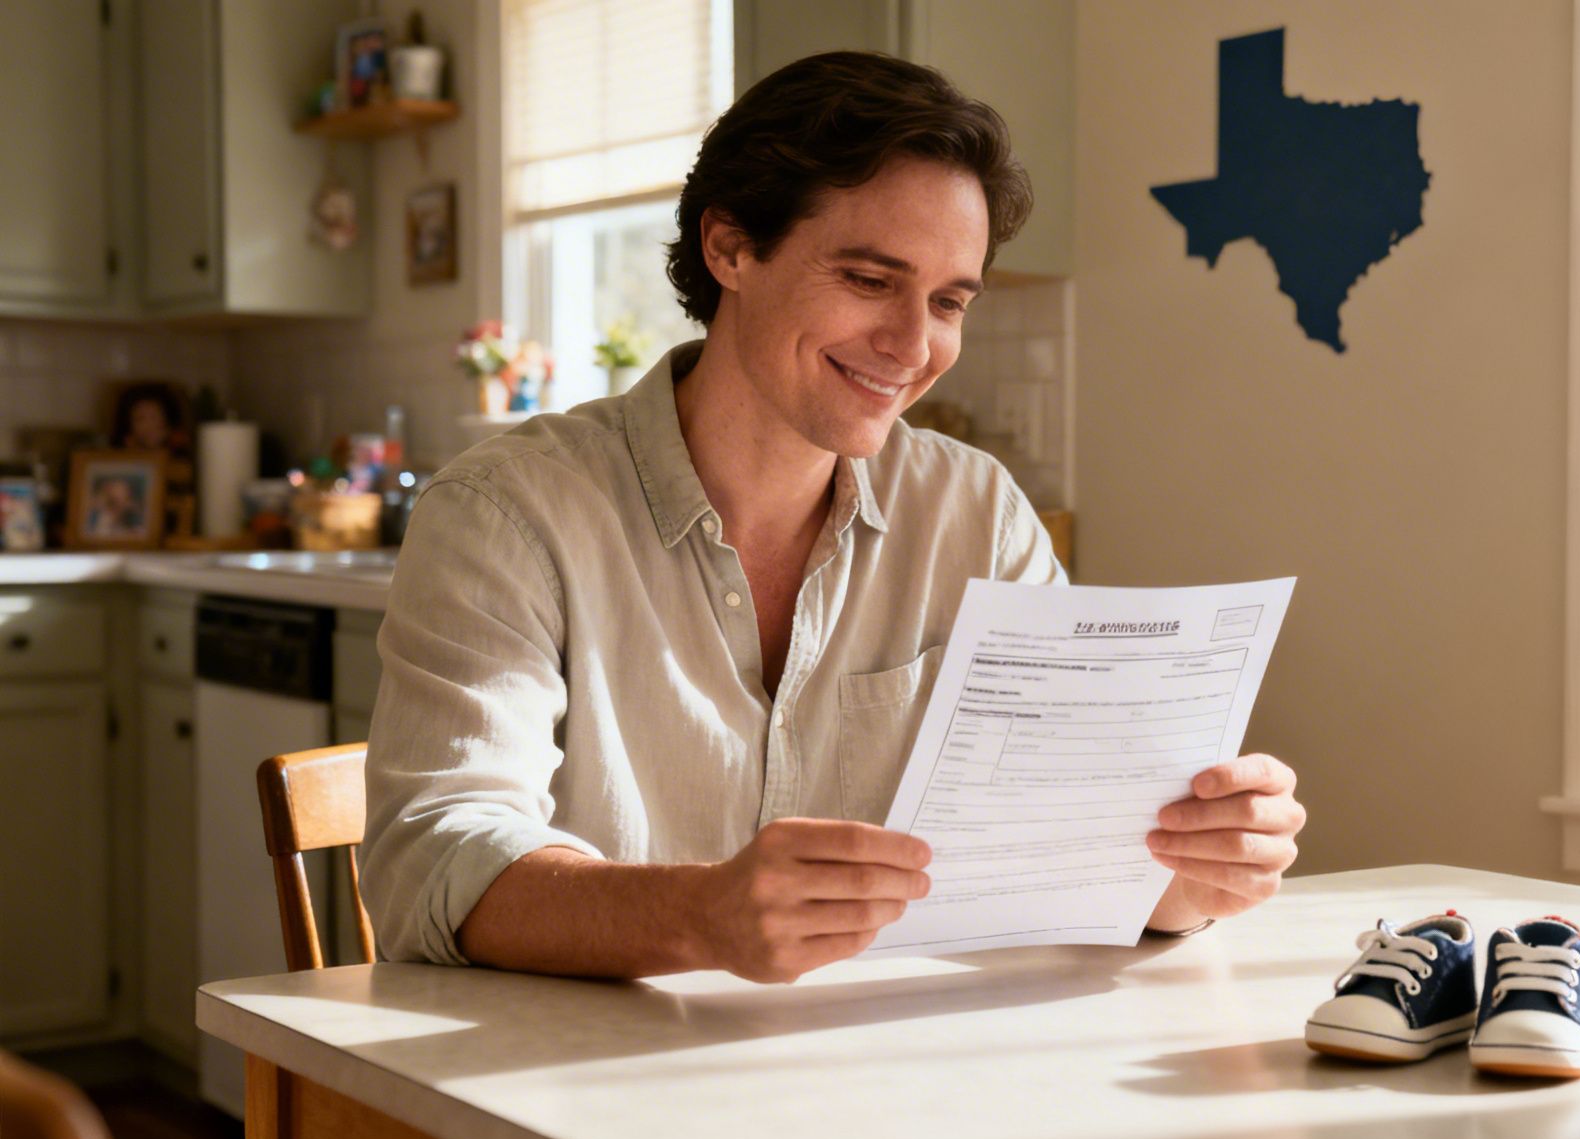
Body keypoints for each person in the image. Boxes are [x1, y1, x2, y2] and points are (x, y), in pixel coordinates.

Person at [361, 51, 1306, 983]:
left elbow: (1074, 842)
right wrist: (699, 917)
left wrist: (1188, 876)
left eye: (948, 301)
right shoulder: (507, 514)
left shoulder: (978, 514)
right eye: (868, 280)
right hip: (572, 1070)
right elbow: (431, 864)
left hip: (883, 1064)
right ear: (730, 247)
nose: (914, 345)